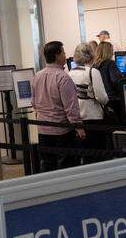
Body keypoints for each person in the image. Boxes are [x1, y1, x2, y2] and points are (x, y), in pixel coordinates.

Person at [31, 41, 86, 172]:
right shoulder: (63, 78)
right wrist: (79, 127)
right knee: (65, 167)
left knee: (48, 166)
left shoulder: (36, 76)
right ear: (57, 55)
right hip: (61, 131)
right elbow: (70, 107)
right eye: (63, 52)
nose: (65, 56)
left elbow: (33, 102)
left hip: (43, 130)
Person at [69, 43, 110, 160]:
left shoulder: (69, 73)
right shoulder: (93, 72)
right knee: (97, 154)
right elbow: (102, 97)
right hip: (93, 117)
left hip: (76, 118)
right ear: (91, 54)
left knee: (84, 154)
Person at [92, 41, 124, 122]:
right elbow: (115, 80)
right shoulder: (110, 63)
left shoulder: (94, 65)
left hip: (101, 101)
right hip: (113, 99)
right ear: (108, 51)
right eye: (111, 50)